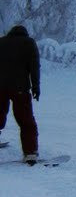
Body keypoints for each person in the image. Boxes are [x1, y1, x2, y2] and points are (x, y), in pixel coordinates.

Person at [0, 24, 41, 161]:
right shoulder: (29, 43)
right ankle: (30, 153)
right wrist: (36, 87)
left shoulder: (1, 42)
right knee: (26, 121)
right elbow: (34, 67)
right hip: (20, 89)